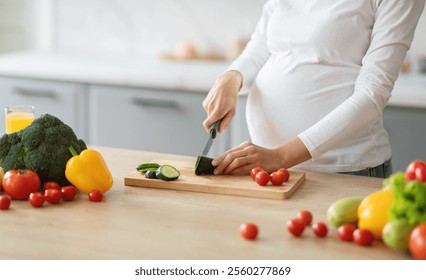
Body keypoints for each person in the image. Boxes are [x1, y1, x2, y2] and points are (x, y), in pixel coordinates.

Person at [202, 0, 425, 178]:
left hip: (344, 170)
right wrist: (232, 76)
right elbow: (262, 45)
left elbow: (372, 95)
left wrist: (280, 156)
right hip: (272, 169)